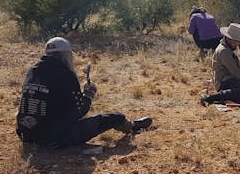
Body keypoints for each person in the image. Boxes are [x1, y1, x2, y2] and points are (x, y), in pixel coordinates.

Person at [17, 37, 152, 148]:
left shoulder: (33, 71)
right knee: (113, 117)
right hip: (51, 139)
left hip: (26, 134)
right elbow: (79, 111)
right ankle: (132, 126)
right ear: (66, 55)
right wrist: (89, 95)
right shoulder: (65, 75)